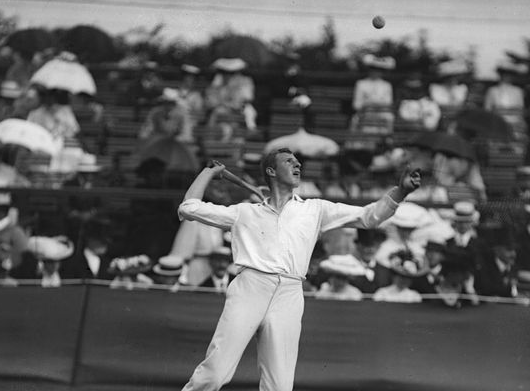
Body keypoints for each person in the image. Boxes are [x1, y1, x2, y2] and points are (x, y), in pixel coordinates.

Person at [177, 147, 420, 391]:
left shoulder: (315, 209)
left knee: (280, 387)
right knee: (214, 375)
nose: (298, 165)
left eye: (298, 162)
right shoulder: (244, 212)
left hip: (290, 292)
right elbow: (188, 208)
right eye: (289, 161)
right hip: (250, 288)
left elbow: (370, 217)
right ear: (271, 171)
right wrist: (208, 173)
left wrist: (401, 192)